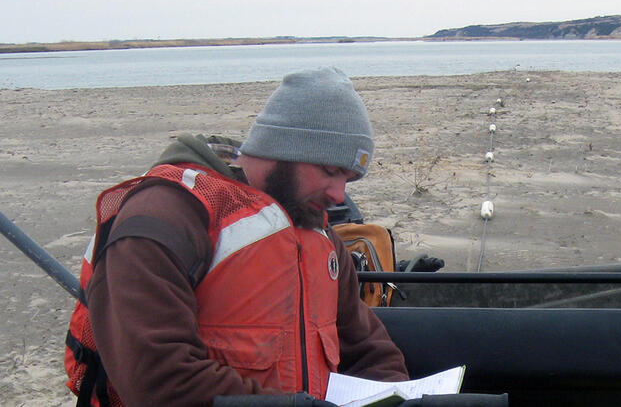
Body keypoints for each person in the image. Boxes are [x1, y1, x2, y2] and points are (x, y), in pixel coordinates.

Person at [66, 67, 409, 407]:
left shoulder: (317, 233)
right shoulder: (167, 214)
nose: (339, 195)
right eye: (330, 171)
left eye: (348, 179)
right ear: (283, 149)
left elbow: (369, 349)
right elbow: (159, 378)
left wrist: (393, 394)